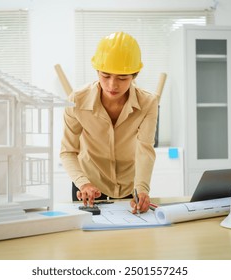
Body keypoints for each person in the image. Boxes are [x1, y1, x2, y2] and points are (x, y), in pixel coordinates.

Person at [60, 31, 158, 214]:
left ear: (134, 75)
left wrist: (143, 188)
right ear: (97, 71)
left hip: (131, 187)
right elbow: (68, 151)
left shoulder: (148, 103)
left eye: (122, 78)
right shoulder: (77, 101)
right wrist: (83, 183)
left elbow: (145, 149)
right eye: (105, 76)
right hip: (88, 187)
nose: (113, 85)